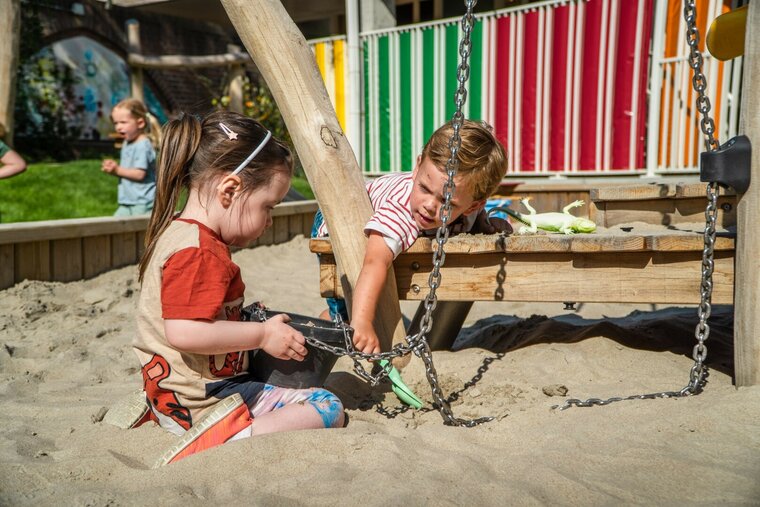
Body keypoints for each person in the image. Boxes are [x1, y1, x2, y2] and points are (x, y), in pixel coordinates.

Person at [132, 110, 344, 464]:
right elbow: (183, 331)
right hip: (203, 403)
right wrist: (260, 336)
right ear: (230, 189)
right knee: (327, 405)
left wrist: (243, 319)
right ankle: (229, 438)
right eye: (268, 206)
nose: (270, 220)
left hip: (170, 395)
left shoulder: (178, 233)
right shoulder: (201, 252)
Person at [313, 119, 509, 354]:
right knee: (346, 315)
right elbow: (375, 262)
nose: (429, 205)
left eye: (446, 203)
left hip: (386, 226)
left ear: (472, 206)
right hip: (338, 224)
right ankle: (322, 329)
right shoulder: (401, 210)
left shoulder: (467, 206)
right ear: (417, 167)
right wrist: (362, 322)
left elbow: (474, 217)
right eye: (424, 189)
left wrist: (486, 225)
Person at [101, 98, 160, 216]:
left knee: (139, 233)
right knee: (115, 227)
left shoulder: (143, 145)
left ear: (140, 123)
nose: (118, 127)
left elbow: (139, 174)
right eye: (116, 123)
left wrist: (117, 170)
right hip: (128, 201)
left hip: (143, 202)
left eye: (123, 122)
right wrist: (114, 168)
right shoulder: (127, 143)